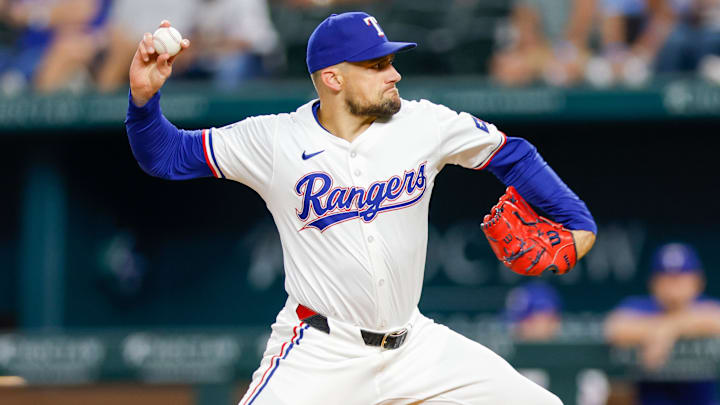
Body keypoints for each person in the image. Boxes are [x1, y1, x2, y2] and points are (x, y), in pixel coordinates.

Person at [125, 12, 597, 404]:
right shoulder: (274, 140)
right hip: (322, 351)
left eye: (390, 61)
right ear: (333, 78)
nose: (393, 74)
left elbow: (511, 153)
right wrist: (145, 102)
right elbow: (165, 156)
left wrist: (578, 222)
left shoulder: (423, 123)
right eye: (376, 65)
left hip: (415, 346)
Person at [604, 242, 720, 405]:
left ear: (698, 281)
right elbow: (615, 328)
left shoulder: (707, 307)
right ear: (653, 282)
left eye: (681, 277)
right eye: (666, 278)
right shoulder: (641, 306)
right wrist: (662, 328)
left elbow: (715, 318)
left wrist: (670, 328)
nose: (673, 286)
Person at [490, 0, 596, 86]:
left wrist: (561, 58)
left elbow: (579, 32)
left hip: (575, 52)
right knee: (509, 69)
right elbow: (527, 31)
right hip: (538, 53)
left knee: (577, 68)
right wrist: (547, 62)